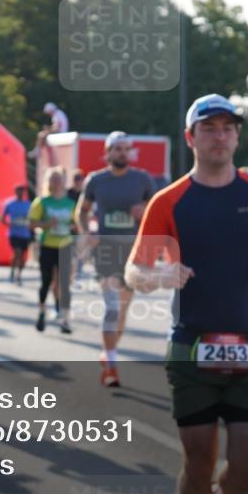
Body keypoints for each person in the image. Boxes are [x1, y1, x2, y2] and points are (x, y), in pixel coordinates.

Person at [125, 93, 248, 494]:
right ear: (190, 137)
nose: (220, 136)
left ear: (237, 135)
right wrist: (160, 277)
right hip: (190, 344)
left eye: (228, 128)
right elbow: (133, 271)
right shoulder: (169, 200)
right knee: (198, 460)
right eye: (209, 128)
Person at [76, 131, 154, 387]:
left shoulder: (142, 179)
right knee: (112, 307)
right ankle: (111, 363)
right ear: (108, 153)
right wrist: (88, 232)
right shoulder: (96, 180)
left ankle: (108, 352)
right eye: (116, 149)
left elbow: (156, 215)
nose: (121, 153)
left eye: (125, 148)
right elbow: (82, 211)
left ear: (131, 152)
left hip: (133, 253)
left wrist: (143, 213)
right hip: (106, 251)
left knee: (122, 311)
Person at [29, 167, 76, 334]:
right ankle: (41, 312)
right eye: (53, 179)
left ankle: (64, 318)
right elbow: (32, 224)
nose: (56, 182)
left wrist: (73, 226)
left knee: (63, 284)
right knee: (46, 282)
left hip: (65, 247)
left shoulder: (71, 204)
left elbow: (77, 223)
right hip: (47, 246)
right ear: (48, 182)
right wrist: (47, 225)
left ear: (63, 182)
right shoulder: (42, 202)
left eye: (59, 179)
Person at [1, 185, 33, 286]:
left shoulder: (29, 204)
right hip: (14, 233)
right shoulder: (9, 203)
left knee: (21, 256)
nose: (20, 193)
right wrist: (8, 224)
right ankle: (12, 272)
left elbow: (33, 219)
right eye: (18, 191)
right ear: (15, 191)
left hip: (25, 234)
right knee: (17, 252)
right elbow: (3, 218)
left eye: (22, 191)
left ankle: (18, 274)